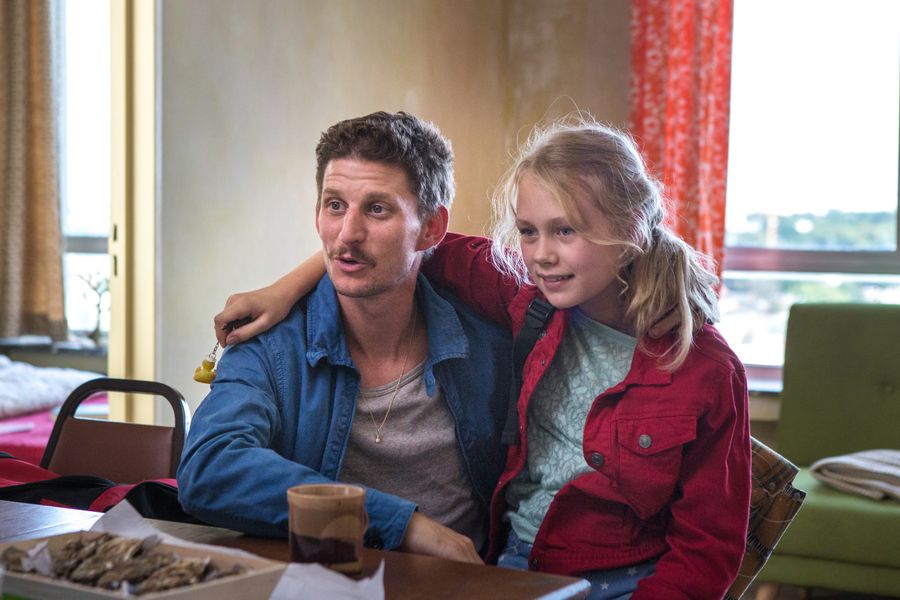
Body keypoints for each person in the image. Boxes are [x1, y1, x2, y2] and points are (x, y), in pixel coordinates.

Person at [216, 115, 751, 599]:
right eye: (528, 232)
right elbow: (379, 248)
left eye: (566, 230)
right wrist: (284, 289)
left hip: (632, 583)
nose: (542, 255)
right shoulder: (526, 294)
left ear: (632, 225)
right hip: (515, 568)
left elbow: (708, 548)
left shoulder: (706, 369)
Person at [177, 111, 514, 565]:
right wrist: (403, 525)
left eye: (377, 209)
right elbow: (209, 468)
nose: (348, 235)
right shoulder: (269, 345)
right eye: (335, 205)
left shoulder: (487, 345)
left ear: (431, 228)